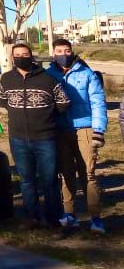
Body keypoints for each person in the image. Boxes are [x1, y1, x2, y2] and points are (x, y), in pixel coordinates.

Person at [0, 43, 70, 227]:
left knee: (49, 181)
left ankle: (54, 220)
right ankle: (32, 218)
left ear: (32, 56)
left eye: (25, 54)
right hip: (18, 138)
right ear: (12, 58)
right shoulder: (6, 79)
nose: (21, 57)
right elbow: (2, 100)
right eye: (18, 55)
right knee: (27, 181)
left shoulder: (48, 79)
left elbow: (63, 103)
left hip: (45, 138)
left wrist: (45, 117)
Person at [46, 39, 108, 234]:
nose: (63, 54)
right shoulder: (48, 75)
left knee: (88, 174)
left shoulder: (86, 73)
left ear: (72, 52)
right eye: (59, 50)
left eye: (67, 50)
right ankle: (69, 214)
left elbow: (98, 102)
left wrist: (98, 130)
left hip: (85, 128)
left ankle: (95, 218)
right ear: (53, 53)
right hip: (61, 130)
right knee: (66, 173)